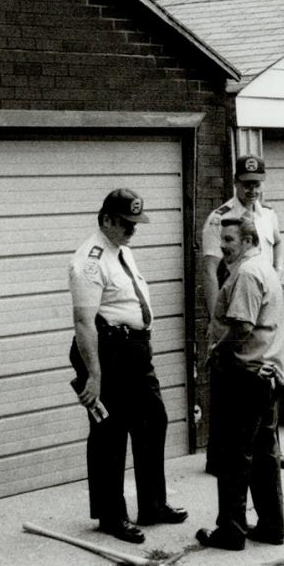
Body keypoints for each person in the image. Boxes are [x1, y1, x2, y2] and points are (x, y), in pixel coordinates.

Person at [67, 189, 186, 543]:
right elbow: (84, 323)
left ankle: (152, 504)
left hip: (134, 352)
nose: (133, 230)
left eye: (136, 223)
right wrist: (94, 375)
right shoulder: (89, 261)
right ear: (105, 220)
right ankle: (111, 516)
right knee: (110, 434)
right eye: (125, 223)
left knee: (152, 421)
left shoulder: (123, 252)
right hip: (107, 352)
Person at [198, 214, 284, 550]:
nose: (222, 247)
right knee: (263, 454)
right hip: (265, 375)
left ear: (249, 241)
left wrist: (216, 352)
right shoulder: (261, 268)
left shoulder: (248, 274)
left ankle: (231, 531)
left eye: (230, 240)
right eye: (221, 241)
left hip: (245, 376)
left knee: (233, 454)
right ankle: (271, 526)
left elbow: (241, 329)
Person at [201, 154, 284, 471]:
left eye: (257, 184)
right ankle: (220, 459)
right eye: (247, 184)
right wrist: (217, 323)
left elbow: (278, 243)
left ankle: (268, 451)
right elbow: (210, 271)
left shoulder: (268, 215)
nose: (252, 190)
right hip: (236, 307)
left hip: (262, 303)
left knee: (263, 378)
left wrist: (278, 272)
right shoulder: (221, 219)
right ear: (236, 183)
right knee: (230, 383)